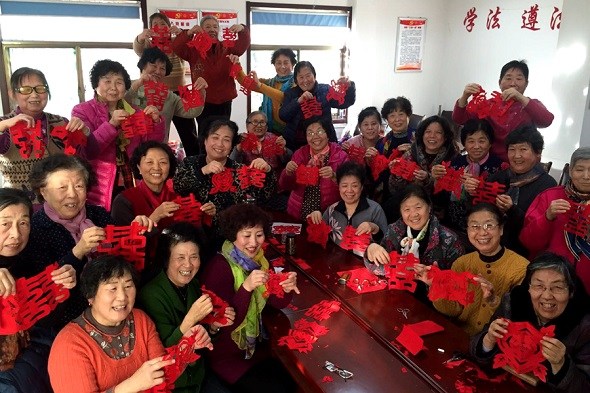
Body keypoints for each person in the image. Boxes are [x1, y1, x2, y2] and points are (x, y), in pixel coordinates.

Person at [48, 255, 212, 393]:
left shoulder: (140, 319)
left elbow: (163, 375)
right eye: (112, 288)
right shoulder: (70, 344)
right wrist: (131, 385)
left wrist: (187, 345)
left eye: (128, 286)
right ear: (90, 296)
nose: (122, 296)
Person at [25, 154, 153, 330]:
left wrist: (134, 233)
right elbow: (45, 289)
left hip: (113, 309)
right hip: (68, 321)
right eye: (62, 187)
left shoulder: (98, 215)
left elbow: (123, 261)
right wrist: (78, 251)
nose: (72, 194)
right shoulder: (36, 230)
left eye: (79, 186)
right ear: (43, 192)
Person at [200, 204, 298, 392]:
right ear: (233, 235)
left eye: (259, 235)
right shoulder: (219, 268)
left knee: (290, 378)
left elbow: (276, 302)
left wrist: (286, 288)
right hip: (226, 354)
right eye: (246, 235)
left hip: (253, 349)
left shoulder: (260, 261)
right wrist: (246, 288)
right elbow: (225, 324)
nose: (253, 242)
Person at [471, 253, 590, 392]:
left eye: (557, 287)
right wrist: (488, 340)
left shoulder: (585, 326)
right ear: (528, 287)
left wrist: (561, 365)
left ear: (571, 292)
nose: (547, 296)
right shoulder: (513, 302)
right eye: (538, 286)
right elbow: (477, 349)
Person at [138, 222, 235, 392]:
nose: (188, 265)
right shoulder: (150, 295)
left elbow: (204, 341)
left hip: (198, 376)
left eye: (194, 257)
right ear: (166, 259)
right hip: (173, 383)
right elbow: (162, 352)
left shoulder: (194, 285)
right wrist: (191, 318)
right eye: (180, 257)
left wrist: (213, 328)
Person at [0, 188, 76, 393]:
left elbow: (45, 321)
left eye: (23, 223)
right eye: (5, 224)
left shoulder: (32, 260)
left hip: (38, 361)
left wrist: (61, 290)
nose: (16, 234)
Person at [414, 203, 529, 335]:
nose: (482, 232)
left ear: (501, 229)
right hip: (459, 335)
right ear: (467, 230)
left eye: (489, 225)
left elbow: (519, 319)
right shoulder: (462, 263)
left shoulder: (521, 268)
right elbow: (453, 310)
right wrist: (437, 285)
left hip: (495, 343)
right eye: (475, 226)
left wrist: (493, 300)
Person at [72, 59, 165, 211]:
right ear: (96, 85)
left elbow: (150, 148)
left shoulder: (135, 111)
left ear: (126, 86)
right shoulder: (82, 111)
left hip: (130, 176)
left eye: (119, 82)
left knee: (132, 218)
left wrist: (156, 122)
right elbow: (89, 150)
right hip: (99, 182)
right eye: (107, 81)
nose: (113, 88)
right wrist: (111, 124)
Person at [465, 125, 556, 256]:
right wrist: (472, 194)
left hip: (523, 252)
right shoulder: (498, 177)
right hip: (489, 246)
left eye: (523, 149)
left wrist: (512, 209)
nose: (516, 155)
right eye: (512, 149)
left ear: (538, 153)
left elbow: (541, 228)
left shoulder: (547, 185)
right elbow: (477, 212)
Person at [0, 67, 86, 204]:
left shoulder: (61, 122)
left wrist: (82, 131)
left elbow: (80, 157)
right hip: (19, 206)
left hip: (60, 205)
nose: (34, 95)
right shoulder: (5, 125)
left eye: (40, 88)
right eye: (25, 89)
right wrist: (3, 125)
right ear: (12, 94)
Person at [520, 147, 590, 294]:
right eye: (579, 169)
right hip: (549, 284)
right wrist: (547, 217)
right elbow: (528, 242)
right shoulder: (550, 197)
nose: (586, 176)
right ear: (570, 171)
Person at [452, 59, 554, 161]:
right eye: (508, 78)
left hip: (522, 162)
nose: (513, 83)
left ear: (526, 83)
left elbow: (546, 121)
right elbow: (459, 119)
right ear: (500, 82)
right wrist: (464, 96)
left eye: (519, 79)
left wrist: (520, 98)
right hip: (492, 162)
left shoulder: (531, 104)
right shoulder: (489, 104)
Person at [134, 12, 201, 156]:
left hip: (177, 93)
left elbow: (191, 47)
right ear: (150, 29)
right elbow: (138, 48)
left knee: (189, 134)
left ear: (169, 26)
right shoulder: (150, 46)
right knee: (158, 131)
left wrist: (182, 34)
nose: (160, 27)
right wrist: (141, 37)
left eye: (163, 24)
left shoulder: (177, 43)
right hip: (154, 94)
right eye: (155, 25)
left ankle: (194, 163)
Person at [173, 119, 276, 214]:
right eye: (215, 137)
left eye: (226, 140)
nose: (220, 144)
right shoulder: (189, 163)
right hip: (196, 228)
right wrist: (203, 171)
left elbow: (264, 196)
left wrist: (268, 171)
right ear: (205, 140)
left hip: (232, 228)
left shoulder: (239, 170)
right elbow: (178, 187)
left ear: (232, 145)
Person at [172, 15, 250, 134]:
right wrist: (189, 32)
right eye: (207, 27)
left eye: (215, 26)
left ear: (218, 30)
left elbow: (243, 44)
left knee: (222, 132)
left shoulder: (227, 47)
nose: (212, 29)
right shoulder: (193, 49)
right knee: (205, 134)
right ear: (201, 30)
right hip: (202, 100)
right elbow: (177, 47)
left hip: (224, 99)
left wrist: (242, 29)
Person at [111, 141, 215, 229]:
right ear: (138, 167)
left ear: (170, 166)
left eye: (163, 162)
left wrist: (205, 216)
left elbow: (191, 236)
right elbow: (123, 244)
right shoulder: (124, 201)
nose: (156, 168)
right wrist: (155, 216)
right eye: (149, 162)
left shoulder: (180, 198)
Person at [365, 184, 463, 276]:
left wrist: (435, 278)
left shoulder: (449, 240)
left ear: (429, 207)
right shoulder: (394, 231)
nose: (413, 214)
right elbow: (378, 269)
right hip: (396, 290)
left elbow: (458, 283)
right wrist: (370, 251)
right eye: (407, 209)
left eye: (418, 207)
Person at [431, 118, 503, 237]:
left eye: (482, 141)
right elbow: (442, 198)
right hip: (454, 226)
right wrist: (437, 180)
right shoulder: (454, 164)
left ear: (490, 143)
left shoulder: (500, 167)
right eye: (471, 141)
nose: (476, 146)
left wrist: (479, 189)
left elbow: (501, 200)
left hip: (485, 230)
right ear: (464, 143)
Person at [126, 47, 207, 144]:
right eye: (153, 66)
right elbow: (119, 101)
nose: (158, 71)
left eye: (162, 68)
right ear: (143, 65)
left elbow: (192, 111)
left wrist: (200, 91)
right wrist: (139, 83)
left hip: (159, 150)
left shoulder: (169, 96)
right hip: (129, 149)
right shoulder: (127, 86)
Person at [387, 115, 458, 222]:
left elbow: (451, 195)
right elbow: (395, 190)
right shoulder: (410, 154)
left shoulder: (453, 158)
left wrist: (429, 179)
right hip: (410, 205)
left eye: (438, 133)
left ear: (445, 137)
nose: (432, 136)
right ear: (422, 134)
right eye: (428, 132)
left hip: (439, 209)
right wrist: (396, 173)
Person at [307, 161, 388, 253]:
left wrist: (375, 228)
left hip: (364, 264)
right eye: (344, 185)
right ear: (339, 187)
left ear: (361, 187)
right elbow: (319, 236)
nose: (349, 190)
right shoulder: (332, 209)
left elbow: (387, 243)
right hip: (336, 261)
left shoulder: (375, 209)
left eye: (354, 185)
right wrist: (315, 218)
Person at [279, 117, 348, 220]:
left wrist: (334, 176)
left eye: (320, 131)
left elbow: (351, 188)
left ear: (328, 134)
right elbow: (286, 186)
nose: (315, 137)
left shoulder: (341, 156)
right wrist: (288, 172)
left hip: (329, 214)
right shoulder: (300, 154)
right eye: (310, 133)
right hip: (299, 211)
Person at [279, 61, 356, 151]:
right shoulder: (290, 93)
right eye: (301, 77)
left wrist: (349, 86)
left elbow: (346, 102)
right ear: (296, 80)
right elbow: (283, 116)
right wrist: (298, 101)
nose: (305, 80)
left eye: (308, 76)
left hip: (325, 142)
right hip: (296, 145)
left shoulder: (326, 90)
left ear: (314, 76)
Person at [232, 48, 297, 135]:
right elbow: (245, 82)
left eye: (286, 62)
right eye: (278, 63)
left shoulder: (297, 83)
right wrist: (237, 65)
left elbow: (284, 97)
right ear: (274, 65)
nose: (282, 66)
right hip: (269, 128)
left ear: (292, 65)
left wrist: (260, 86)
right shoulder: (269, 83)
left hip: (290, 130)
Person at [230, 111, 291, 176]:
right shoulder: (241, 139)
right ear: (247, 126)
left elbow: (288, 161)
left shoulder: (275, 139)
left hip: (273, 178)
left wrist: (284, 149)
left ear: (267, 127)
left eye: (262, 122)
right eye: (255, 122)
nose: (259, 125)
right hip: (249, 179)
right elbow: (231, 164)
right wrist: (238, 148)